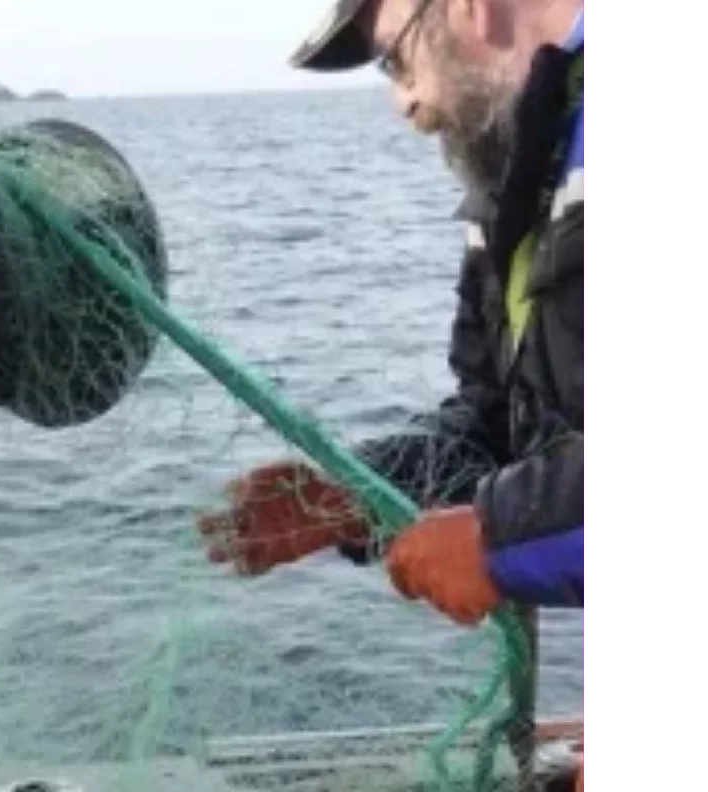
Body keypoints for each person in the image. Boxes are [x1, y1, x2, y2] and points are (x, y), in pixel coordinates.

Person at [197, 0, 584, 627]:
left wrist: (501, 538)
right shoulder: (519, 182)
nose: (406, 105)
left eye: (397, 62)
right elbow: (500, 430)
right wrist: (359, 494)